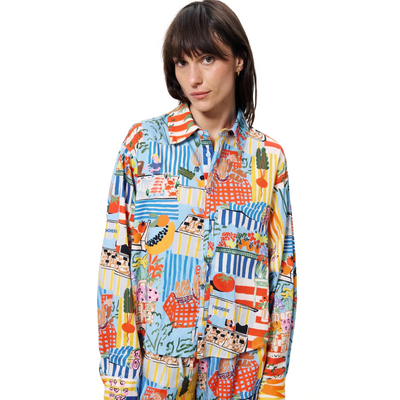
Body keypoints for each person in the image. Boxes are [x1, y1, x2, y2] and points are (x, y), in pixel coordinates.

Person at [97, 1, 297, 399]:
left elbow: (283, 271)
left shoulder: (267, 157)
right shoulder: (142, 145)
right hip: (156, 370)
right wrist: (119, 379)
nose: (194, 78)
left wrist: (274, 379)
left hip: (240, 372)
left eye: (207, 59)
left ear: (238, 60)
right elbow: (115, 261)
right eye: (181, 62)